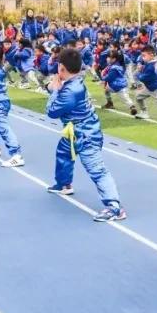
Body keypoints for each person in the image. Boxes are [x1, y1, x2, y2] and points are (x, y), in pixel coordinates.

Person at [45, 47, 126, 222]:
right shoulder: (75, 81)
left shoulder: (70, 91)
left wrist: (56, 90)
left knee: (97, 169)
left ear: (61, 68)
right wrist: (52, 87)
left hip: (86, 134)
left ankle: (114, 207)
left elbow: (51, 111)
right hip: (74, 131)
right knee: (63, 154)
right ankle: (64, 184)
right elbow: (57, 90)